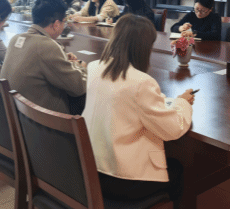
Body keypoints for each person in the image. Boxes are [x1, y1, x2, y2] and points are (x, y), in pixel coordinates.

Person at [82, 14, 194, 205]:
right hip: (123, 179)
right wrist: (182, 103)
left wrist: (165, 101)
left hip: (91, 169)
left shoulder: (94, 68)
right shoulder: (141, 82)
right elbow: (173, 130)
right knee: (177, 169)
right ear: (143, 48)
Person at [0, 0, 87, 114]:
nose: (64, 25)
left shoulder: (15, 39)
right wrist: (81, 67)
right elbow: (79, 87)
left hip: (17, 117)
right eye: (64, 22)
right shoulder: (47, 46)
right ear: (56, 24)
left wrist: (62, 59)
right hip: (44, 122)